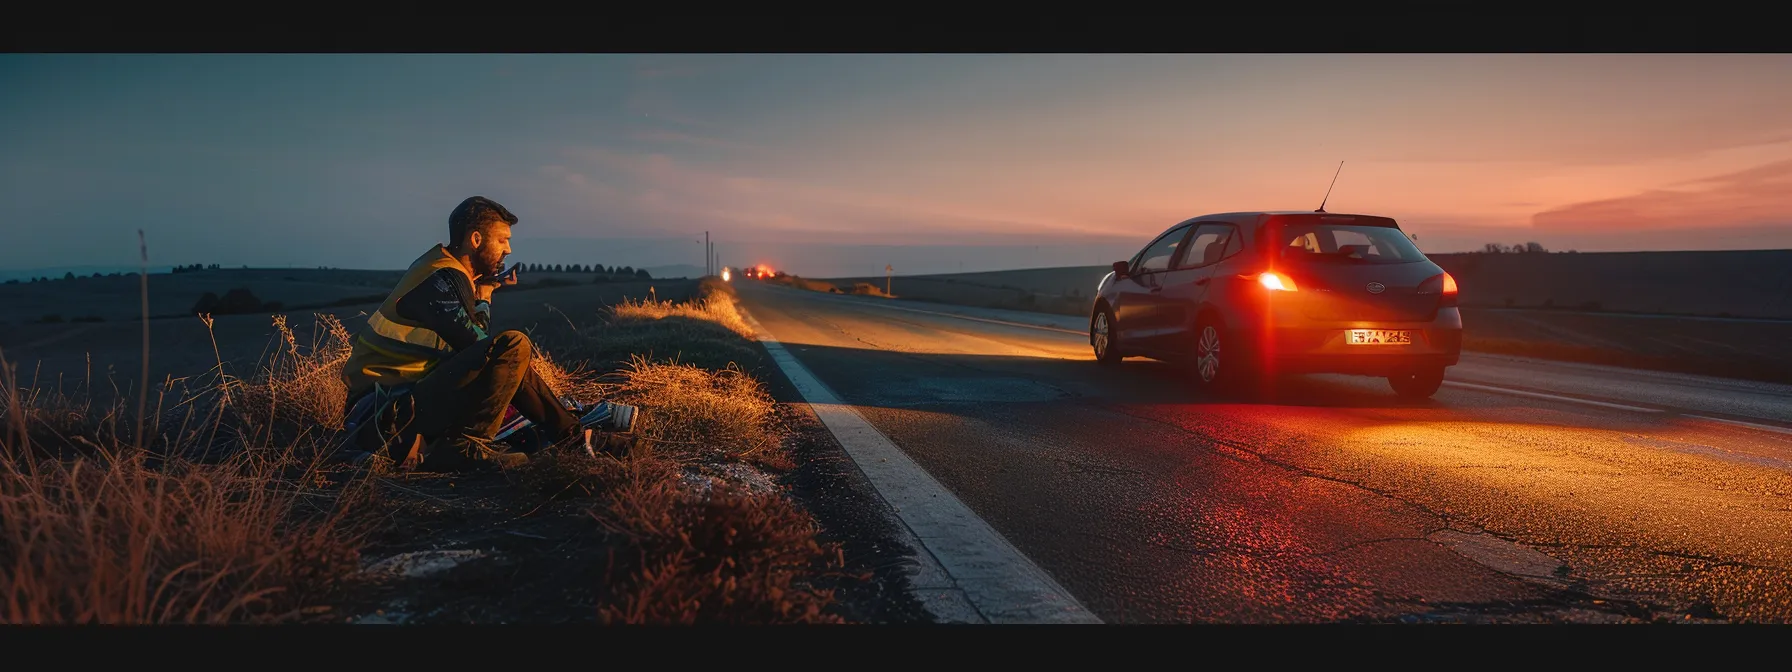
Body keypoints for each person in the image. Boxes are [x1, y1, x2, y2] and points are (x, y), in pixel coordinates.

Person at [340, 195, 639, 471]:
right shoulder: (444, 278)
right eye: (502, 240)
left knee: (510, 354)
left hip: (396, 403)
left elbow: (474, 354)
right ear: (475, 239)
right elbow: (483, 353)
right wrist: (484, 297)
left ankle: (573, 437)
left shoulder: (440, 267)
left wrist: (483, 292)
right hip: (385, 412)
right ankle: (467, 445)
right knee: (514, 346)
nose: (508, 249)